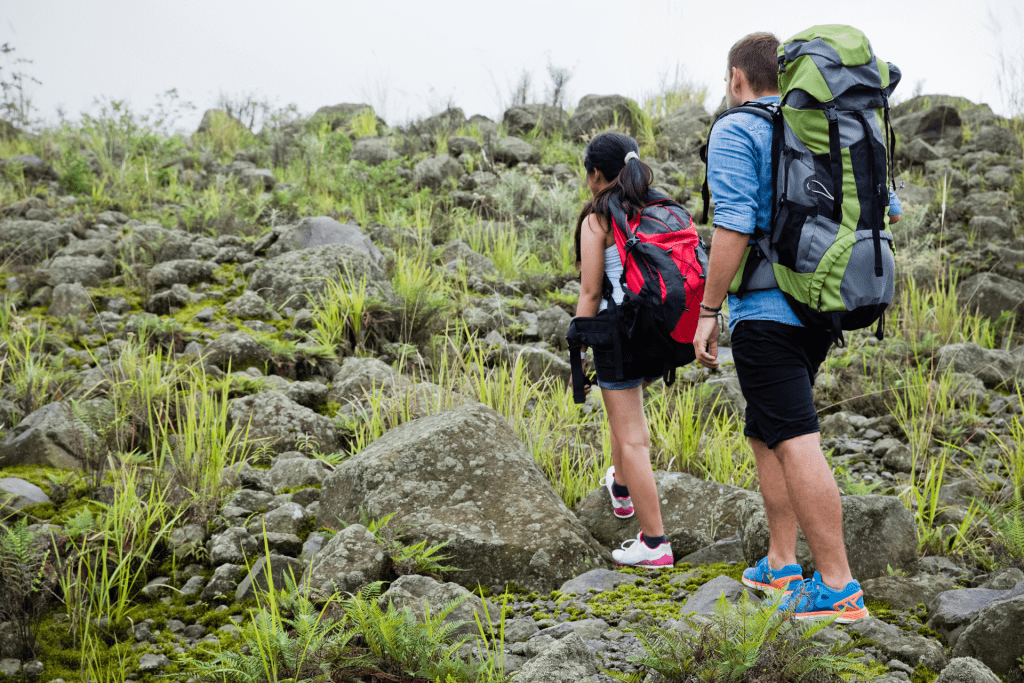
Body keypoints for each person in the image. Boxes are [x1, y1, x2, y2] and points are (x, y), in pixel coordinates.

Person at [692, 32, 901, 621]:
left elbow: (731, 227)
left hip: (766, 313)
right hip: (817, 305)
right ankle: (781, 562)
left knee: (793, 436)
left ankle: (837, 586)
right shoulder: (809, 128)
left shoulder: (737, 129)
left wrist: (708, 312)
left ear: (737, 78)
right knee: (766, 431)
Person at [571, 132, 672, 568]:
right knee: (624, 410)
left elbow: (591, 292)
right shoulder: (654, 207)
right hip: (656, 330)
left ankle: (654, 543)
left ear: (596, 175)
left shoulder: (597, 219)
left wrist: (579, 335)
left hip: (617, 331)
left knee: (633, 439)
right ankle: (622, 489)